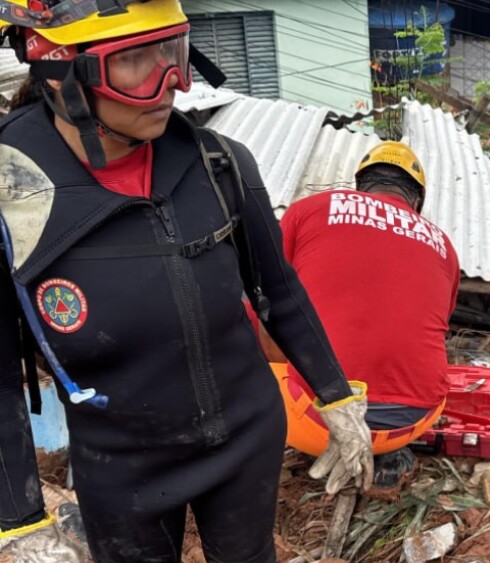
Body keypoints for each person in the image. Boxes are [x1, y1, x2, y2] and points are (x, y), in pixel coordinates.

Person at [0, 2, 372, 561]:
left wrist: (338, 395)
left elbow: (280, 291)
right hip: (119, 467)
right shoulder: (11, 198)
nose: (169, 83)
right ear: (61, 73)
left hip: (247, 439)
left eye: (171, 52)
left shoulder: (218, 162)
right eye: (133, 61)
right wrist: (19, 520)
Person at [277, 141, 460, 489]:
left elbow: (262, 295)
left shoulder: (308, 210)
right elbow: (442, 324)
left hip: (313, 424)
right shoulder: (443, 244)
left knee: (257, 332)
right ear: (416, 202)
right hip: (410, 424)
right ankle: (389, 454)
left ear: (360, 186)